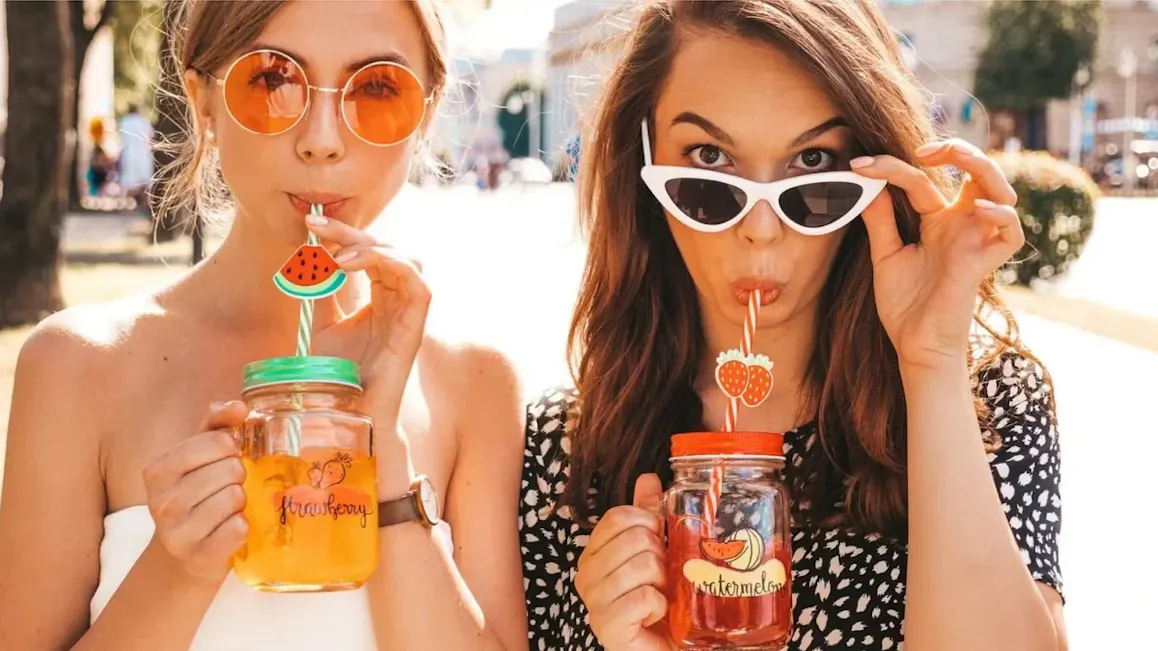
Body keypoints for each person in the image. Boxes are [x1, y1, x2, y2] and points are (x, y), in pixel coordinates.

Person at [519, 2, 1066, 650]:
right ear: (642, 167)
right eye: (709, 157)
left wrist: (931, 360)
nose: (759, 226)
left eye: (812, 163)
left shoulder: (984, 403)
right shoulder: (569, 450)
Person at [0, 2, 528, 650]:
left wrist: (384, 454)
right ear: (203, 102)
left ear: (426, 113)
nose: (323, 139)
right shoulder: (76, 366)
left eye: (378, 89)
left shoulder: (475, 383)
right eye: (274, 81)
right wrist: (178, 567)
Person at [117, 102, 155, 211]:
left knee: (128, 180)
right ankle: (147, 204)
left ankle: (124, 205)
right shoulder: (143, 121)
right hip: (143, 153)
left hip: (129, 153)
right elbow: (151, 135)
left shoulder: (124, 122)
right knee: (146, 181)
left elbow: (122, 137)